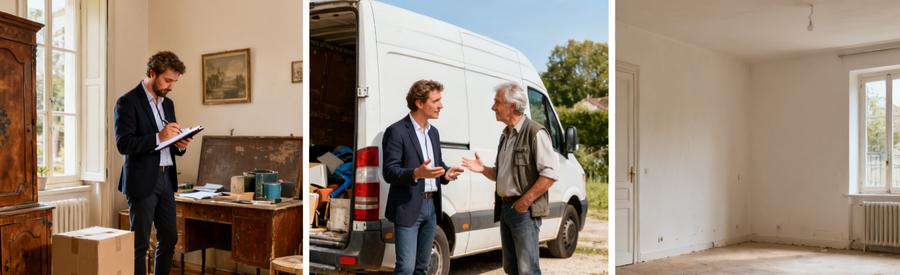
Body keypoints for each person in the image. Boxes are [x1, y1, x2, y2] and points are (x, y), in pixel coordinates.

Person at [462, 82, 558, 275]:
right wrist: (483, 169)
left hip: (524, 211)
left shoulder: (535, 132)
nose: (493, 107)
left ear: (512, 106)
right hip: (507, 209)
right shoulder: (506, 135)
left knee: (527, 270)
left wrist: (524, 202)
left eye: (497, 102)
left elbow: (550, 174)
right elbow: (503, 175)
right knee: (511, 268)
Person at [114, 51, 191, 275]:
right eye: (167, 80)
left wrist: (181, 144)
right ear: (152, 73)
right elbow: (124, 144)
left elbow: (169, 142)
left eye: (175, 81)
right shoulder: (127, 102)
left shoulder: (168, 104)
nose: (171, 86)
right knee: (139, 244)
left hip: (167, 179)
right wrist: (159, 137)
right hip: (142, 180)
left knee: (169, 238)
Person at [382, 79, 465, 275]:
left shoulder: (433, 133)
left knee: (423, 267)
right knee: (406, 268)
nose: (441, 105)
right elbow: (389, 171)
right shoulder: (397, 131)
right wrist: (415, 173)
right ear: (419, 103)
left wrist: (446, 173)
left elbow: (436, 166)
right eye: (436, 101)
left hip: (432, 208)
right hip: (408, 207)